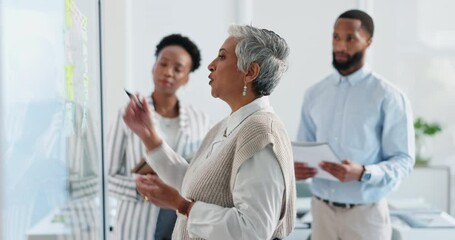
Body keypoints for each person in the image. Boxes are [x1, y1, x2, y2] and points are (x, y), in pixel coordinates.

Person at [123, 25, 296, 240]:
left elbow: (253, 230)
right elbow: (194, 183)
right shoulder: (227, 126)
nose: (211, 66)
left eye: (222, 57)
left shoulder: (260, 132)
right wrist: (149, 135)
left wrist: (182, 206)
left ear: (250, 72)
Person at [295, 9, 415, 240]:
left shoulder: (388, 96)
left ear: (368, 41)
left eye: (350, 38)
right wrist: (296, 168)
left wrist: (363, 173)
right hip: (321, 214)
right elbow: (303, 149)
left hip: (366, 217)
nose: (340, 46)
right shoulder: (314, 94)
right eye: (336, 37)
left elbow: (403, 160)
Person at [107, 34, 211, 240]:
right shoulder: (128, 115)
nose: (168, 72)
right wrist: (137, 188)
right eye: (163, 64)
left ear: (187, 77)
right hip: (136, 226)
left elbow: (205, 176)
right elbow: (107, 177)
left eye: (178, 68)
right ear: (153, 66)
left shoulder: (201, 121)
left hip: (182, 223)